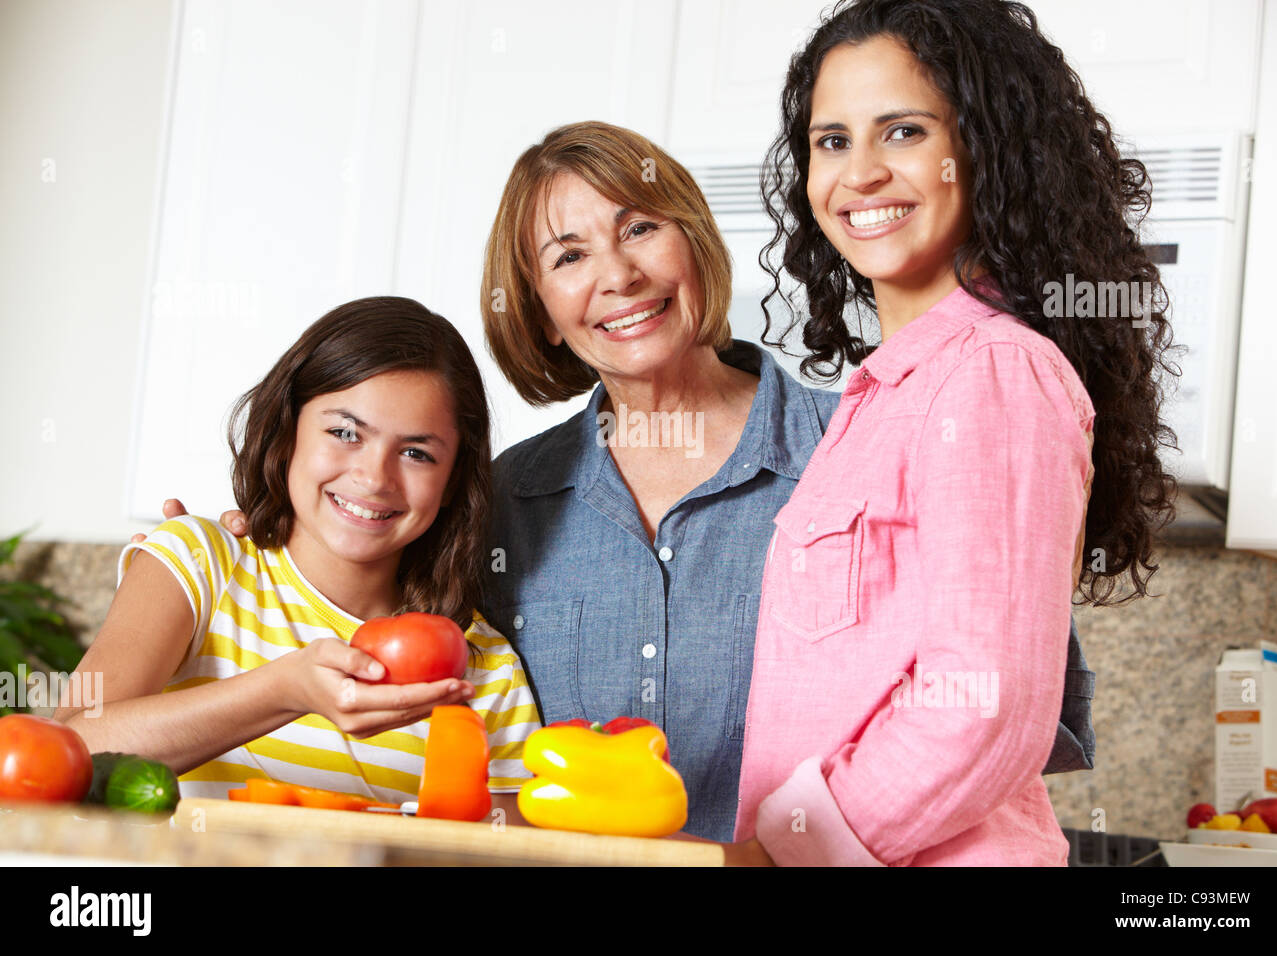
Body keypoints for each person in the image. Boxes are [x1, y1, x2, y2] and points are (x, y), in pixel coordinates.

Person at [146, 121, 1095, 842]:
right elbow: (382, 616)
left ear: (691, 244)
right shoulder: (501, 503)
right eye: (568, 257)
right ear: (544, 314)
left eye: (639, 228)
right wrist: (258, 537)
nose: (619, 275)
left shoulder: (861, 446)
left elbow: (1018, 704)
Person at [731, 0, 1178, 865]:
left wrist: (789, 853)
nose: (858, 174)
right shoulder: (889, 390)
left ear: (986, 150)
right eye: (832, 141)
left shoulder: (993, 372)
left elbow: (984, 702)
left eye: (901, 132)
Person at [57, 297, 539, 814]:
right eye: (345, 433)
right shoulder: (200, 565)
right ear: (287, 432)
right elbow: (63, 750)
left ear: (451, 483)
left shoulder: (483, 669)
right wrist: (282, 691)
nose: (374, 478)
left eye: (416, 453)